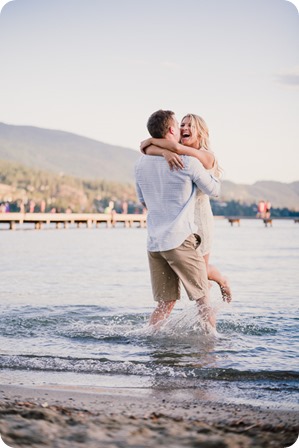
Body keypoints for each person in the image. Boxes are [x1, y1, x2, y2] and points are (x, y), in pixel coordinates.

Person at [135, 110, 221, 329]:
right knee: (203, 300)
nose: (184, 128)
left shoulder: (141, 163)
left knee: (164, 303)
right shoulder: (186, 162)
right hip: (181, 235)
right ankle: (211, 350)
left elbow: (143, 200)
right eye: (181, 124)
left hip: (156, 240)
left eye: (189, 125)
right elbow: (215, 190)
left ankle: (150, 343)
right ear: (173, 129)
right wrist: (166, 151)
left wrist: (162, 149)